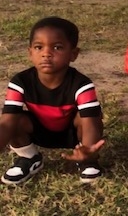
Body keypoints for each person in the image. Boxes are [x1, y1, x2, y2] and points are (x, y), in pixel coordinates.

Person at [0, 17, 104, 185]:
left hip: (72, 134)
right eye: (38, 47)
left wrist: (89, 149)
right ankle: (29, 158)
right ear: (30, 52)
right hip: (39, 131)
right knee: (14, 119)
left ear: (73, 54)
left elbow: (91, 123)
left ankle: (87, 160)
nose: (46, 53)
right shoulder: (20, 81)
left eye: (57, 47)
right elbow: (6, 124)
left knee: (90, 116)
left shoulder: (82, 84)